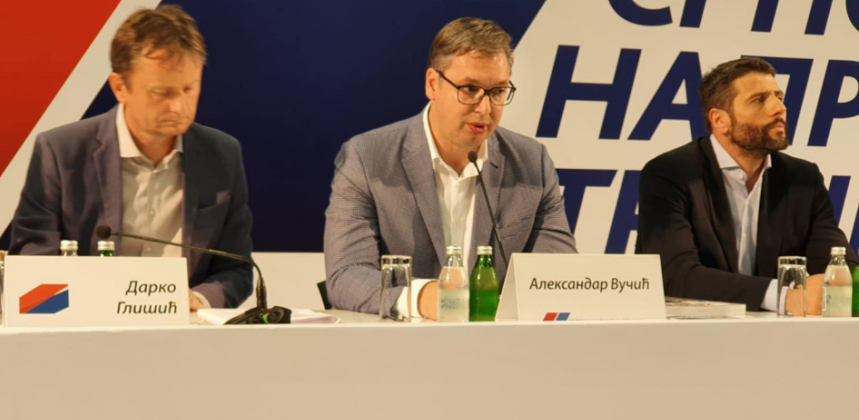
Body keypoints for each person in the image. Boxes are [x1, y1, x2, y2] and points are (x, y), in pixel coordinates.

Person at [324, 17, 577, 319]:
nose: (485, 108)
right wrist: (426, 297)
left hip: (499, 342)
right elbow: (346, 276)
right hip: (401, 341)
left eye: (498, 91)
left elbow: (558, 275)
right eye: (469, 89)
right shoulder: (368, 159)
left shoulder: (531, 163)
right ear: (433, 84)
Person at [9, 5, 253, 310]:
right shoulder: (61, 152)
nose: (179, 106)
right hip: (89, 328)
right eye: (162, 92)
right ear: (120, 87)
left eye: (189, 89)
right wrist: (100, 304)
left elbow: (237, 269)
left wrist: (200, 299)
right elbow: (31, 266)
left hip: (184, 328)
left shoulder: (222, 154)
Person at [637, 57, 857, 313]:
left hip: (778, 334)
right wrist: (783, 297)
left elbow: (840, 267)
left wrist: (837, 284)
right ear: (720, 120)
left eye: (779, 97)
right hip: (692, 329)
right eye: (759, 100)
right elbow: (675, 275)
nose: (779, 108)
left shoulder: (803, 179)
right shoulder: (671, 174)